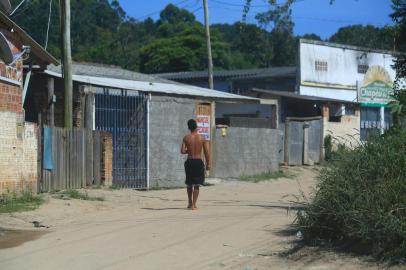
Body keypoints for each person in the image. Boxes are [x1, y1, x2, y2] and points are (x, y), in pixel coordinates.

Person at [181, 119, 210, 210]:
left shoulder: (186, 138)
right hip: (198, 161)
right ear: (196, 127)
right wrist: (208, 164)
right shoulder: (201, 138)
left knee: (189, 184)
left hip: (189, 161)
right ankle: (194, 205)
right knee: (196, 184)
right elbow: (207, 153)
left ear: (189, 127)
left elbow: (182, 151)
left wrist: (188, 150)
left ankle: (189, 202)